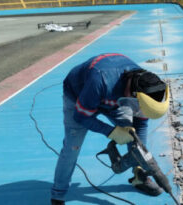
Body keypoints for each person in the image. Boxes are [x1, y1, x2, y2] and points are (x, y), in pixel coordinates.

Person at [51, 53, 170, 205]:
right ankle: (58, 195)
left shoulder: (147, 87)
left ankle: (139, 177)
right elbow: (80, 116)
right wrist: (111, 132)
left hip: (113, 99)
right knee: (72, 148)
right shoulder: (100, 80)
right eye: (138, 106)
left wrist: (140, 160)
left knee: (133, 134)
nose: (139, 109)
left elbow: (141, 125)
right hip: (78, 95)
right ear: (133, 95)